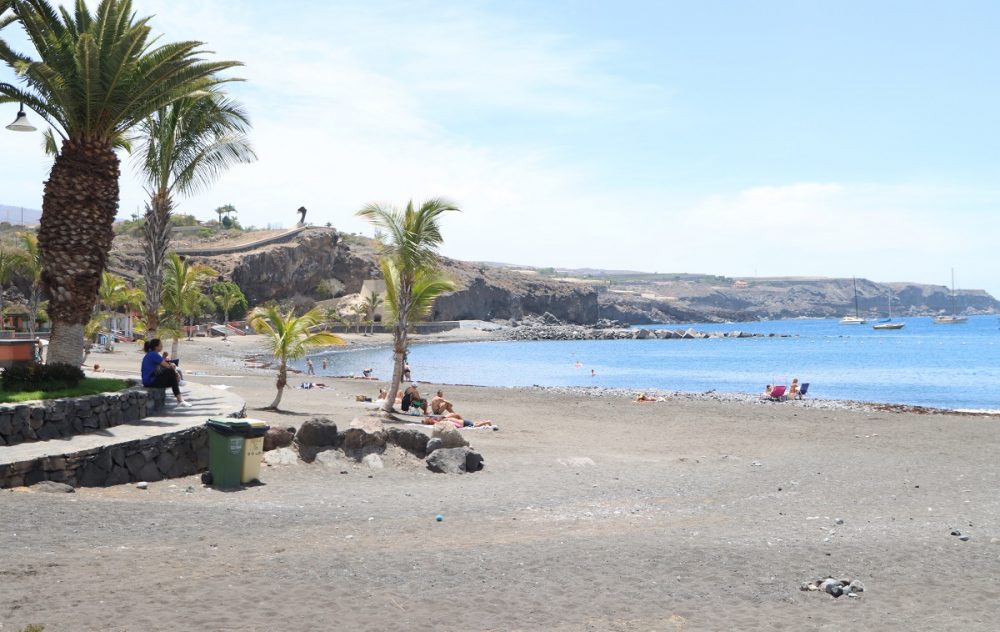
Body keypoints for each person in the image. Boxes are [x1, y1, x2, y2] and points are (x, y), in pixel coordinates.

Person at [141, 339, 190, 407]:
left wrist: (173, 369)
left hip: (149, 381)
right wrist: (175, 371)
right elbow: (167, 366)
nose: (162, 346)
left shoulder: (151, 354)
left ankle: (180, 399)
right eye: (161, 345)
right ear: (156, 347)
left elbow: (162, 364)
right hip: (150, 382)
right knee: (170, 371)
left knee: (173, 380)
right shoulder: (153, 354)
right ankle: (180, 399)